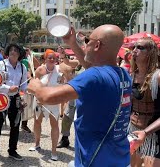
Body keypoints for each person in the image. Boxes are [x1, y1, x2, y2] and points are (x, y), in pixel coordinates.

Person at [28, 25, 132, 166]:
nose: (85, 44)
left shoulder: (93, 76)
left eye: (87, 40)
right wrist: (72, 43)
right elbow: (93, 68)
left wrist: (36, 87)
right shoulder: (123, 74)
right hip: (119, 157)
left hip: (94, 159)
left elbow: (47, 97)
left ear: (97, 45)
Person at [129, 38, 160, 167]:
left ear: (150, 52)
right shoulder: (131, 76)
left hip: (155, 135)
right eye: (134, 47)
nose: (134, 51)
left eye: (140, 47)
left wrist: (145, 132)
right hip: (133, 130)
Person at [0, 44, 28, 161]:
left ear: (20, 54)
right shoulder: (1, 65)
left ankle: (12, 150)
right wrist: (8, 88)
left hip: (15, 99)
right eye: (11, 50)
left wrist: (28, 90)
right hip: (1, 97)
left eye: (15, 50)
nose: (13, 52)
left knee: (15, 125)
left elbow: (24, 85)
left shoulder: (22, 67)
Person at [29, 49, 64, 161]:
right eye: (50, 57)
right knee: (37, 122)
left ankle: (54, 151)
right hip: (40, 101)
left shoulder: (59, 70)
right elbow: (33, 85)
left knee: (54, 125)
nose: (52, 59)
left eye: (54, 58)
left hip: (53, 101)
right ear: (45, 59)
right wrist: (37, 96)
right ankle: (37, 143)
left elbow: (62, 86)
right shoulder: (39, 70)